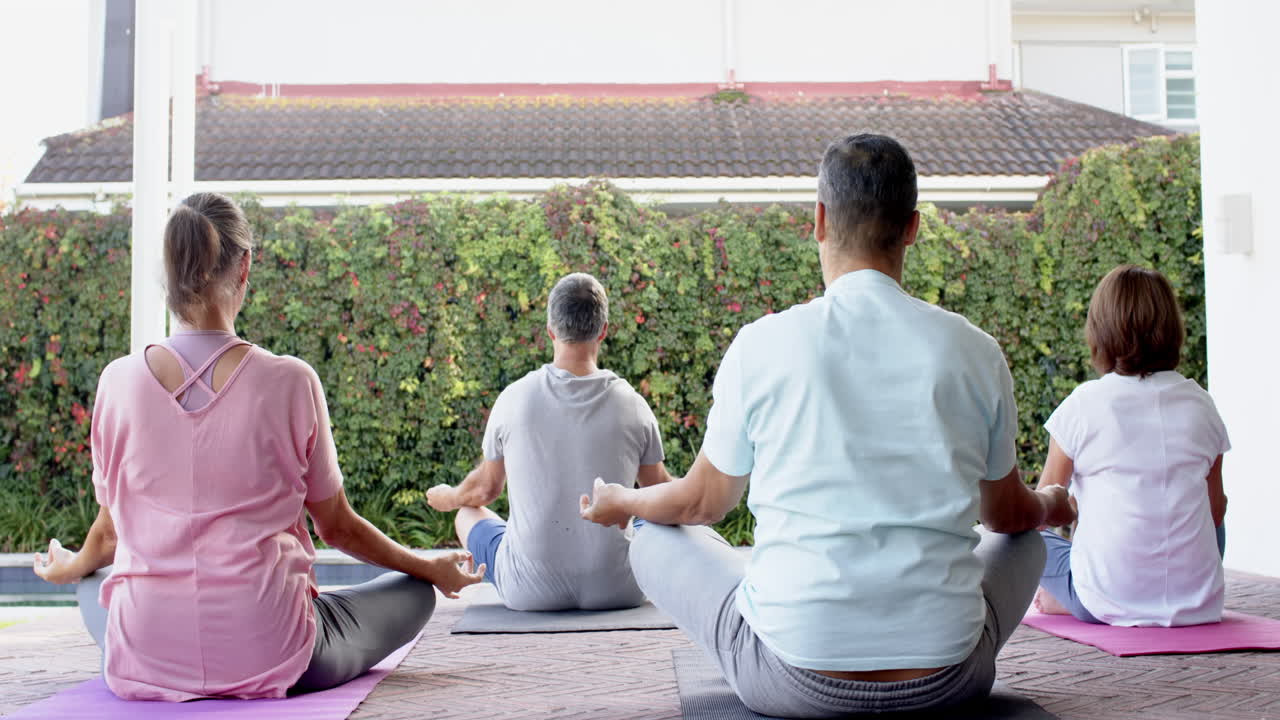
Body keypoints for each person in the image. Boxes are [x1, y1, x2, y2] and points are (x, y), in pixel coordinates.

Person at [580, 134, 1076, 718]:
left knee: (655, 533)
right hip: (948, 678)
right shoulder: (974, 350)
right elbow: (1007, 516)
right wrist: (1053, 501)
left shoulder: (763, 344)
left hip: (792, 680)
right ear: (913, 227)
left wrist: (623, 499)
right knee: (1026, 538)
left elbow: (701, 504)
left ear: (818, 220)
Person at [32, 192, 484, 702]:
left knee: (98, 586)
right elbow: (336, 527)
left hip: (145, 653)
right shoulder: (290, 380)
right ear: (244, 266)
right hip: (273, 652)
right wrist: (429, 568)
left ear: (170, 270)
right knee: (412, 592)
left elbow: (110, 532)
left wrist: (72, 566)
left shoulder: (117, 382)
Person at [426, 272, 669, 611]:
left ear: (550, 329)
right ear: (603, 330)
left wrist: (448, 496)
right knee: (649, 517)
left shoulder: (514, 398)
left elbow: (484, 492)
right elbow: (661, 493)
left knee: (467, 512)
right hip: (620, 588)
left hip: (528, 592)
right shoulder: (633, 404)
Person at [1033, 265, 1229, 626]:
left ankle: (1072, 597)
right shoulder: (1201, 403)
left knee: (1021, 535)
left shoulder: (1084, 403)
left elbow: (1041, 514)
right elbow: (1215, 512)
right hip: (1199, 604)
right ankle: (1167, 591)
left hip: (1105, 600)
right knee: (1210, 511)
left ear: (1100, 331)